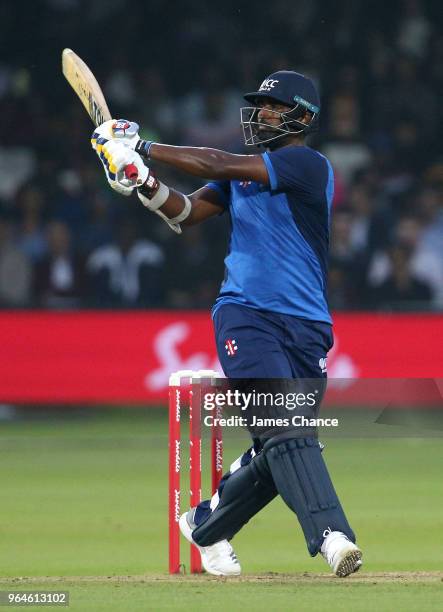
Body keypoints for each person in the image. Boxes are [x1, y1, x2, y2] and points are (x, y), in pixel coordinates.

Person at [91, 70, 363, 577]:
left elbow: (212, 159)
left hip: (307, 325)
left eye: (272, 106)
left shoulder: (306, 163)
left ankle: (203, 525)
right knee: (285, 431)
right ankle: (332, 536)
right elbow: (188, 212)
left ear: (302, 116)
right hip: (246, 316)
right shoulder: (242, 173)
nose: (260, 113)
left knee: (279, 443)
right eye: (258, 104)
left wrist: (141, 145)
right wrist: (140, 181)